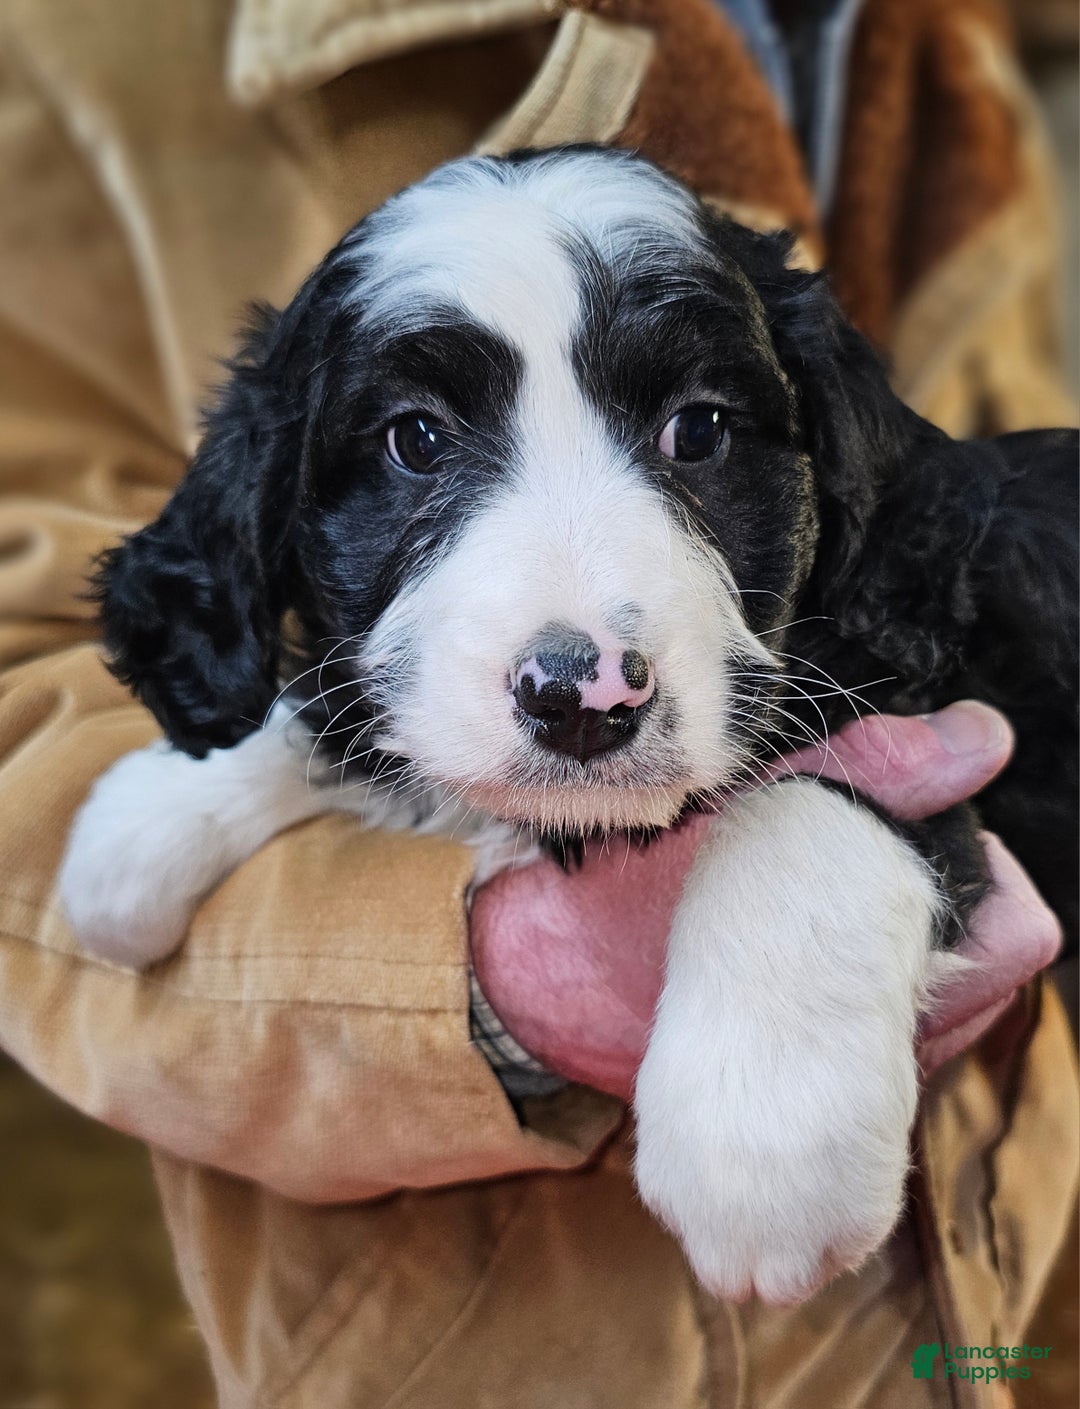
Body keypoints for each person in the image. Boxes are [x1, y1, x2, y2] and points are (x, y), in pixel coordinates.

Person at [0, 1, 1075, 1404]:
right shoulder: (75, 50)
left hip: (992, 1292)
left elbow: (939, 686)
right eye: (417, 438)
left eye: (695, 431)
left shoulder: (944, 48)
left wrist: (827, 869)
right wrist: (488, 972)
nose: (592, 670)